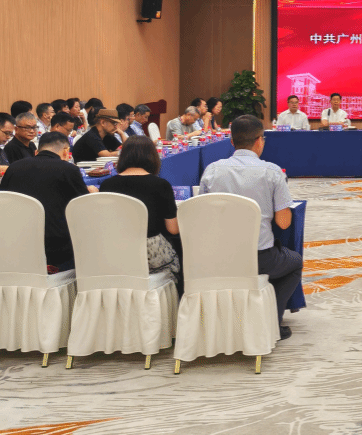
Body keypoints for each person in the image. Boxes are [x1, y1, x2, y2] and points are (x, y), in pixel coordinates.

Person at [199, 115, 302, 339]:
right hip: (259, 259)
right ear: (259, 141)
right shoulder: (272, 171)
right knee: (294, 262)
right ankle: (271, 322)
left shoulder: (212, 170)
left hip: (217, 258)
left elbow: (202, 213)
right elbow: (283, 222)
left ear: (232, 142)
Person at [0, 132, 97, 270]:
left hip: (17, 242)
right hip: (58, 247)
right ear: (66, 151)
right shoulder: (69, 170)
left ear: (37, 151)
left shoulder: (14, 168)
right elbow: (84, 207)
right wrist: (91, 193)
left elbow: (2, 201)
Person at [99, 136, 180, 275]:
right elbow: (173, 229)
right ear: (152, 157)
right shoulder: (161, 185)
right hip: (151, 256)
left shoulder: (107, 185)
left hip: (116, 254)